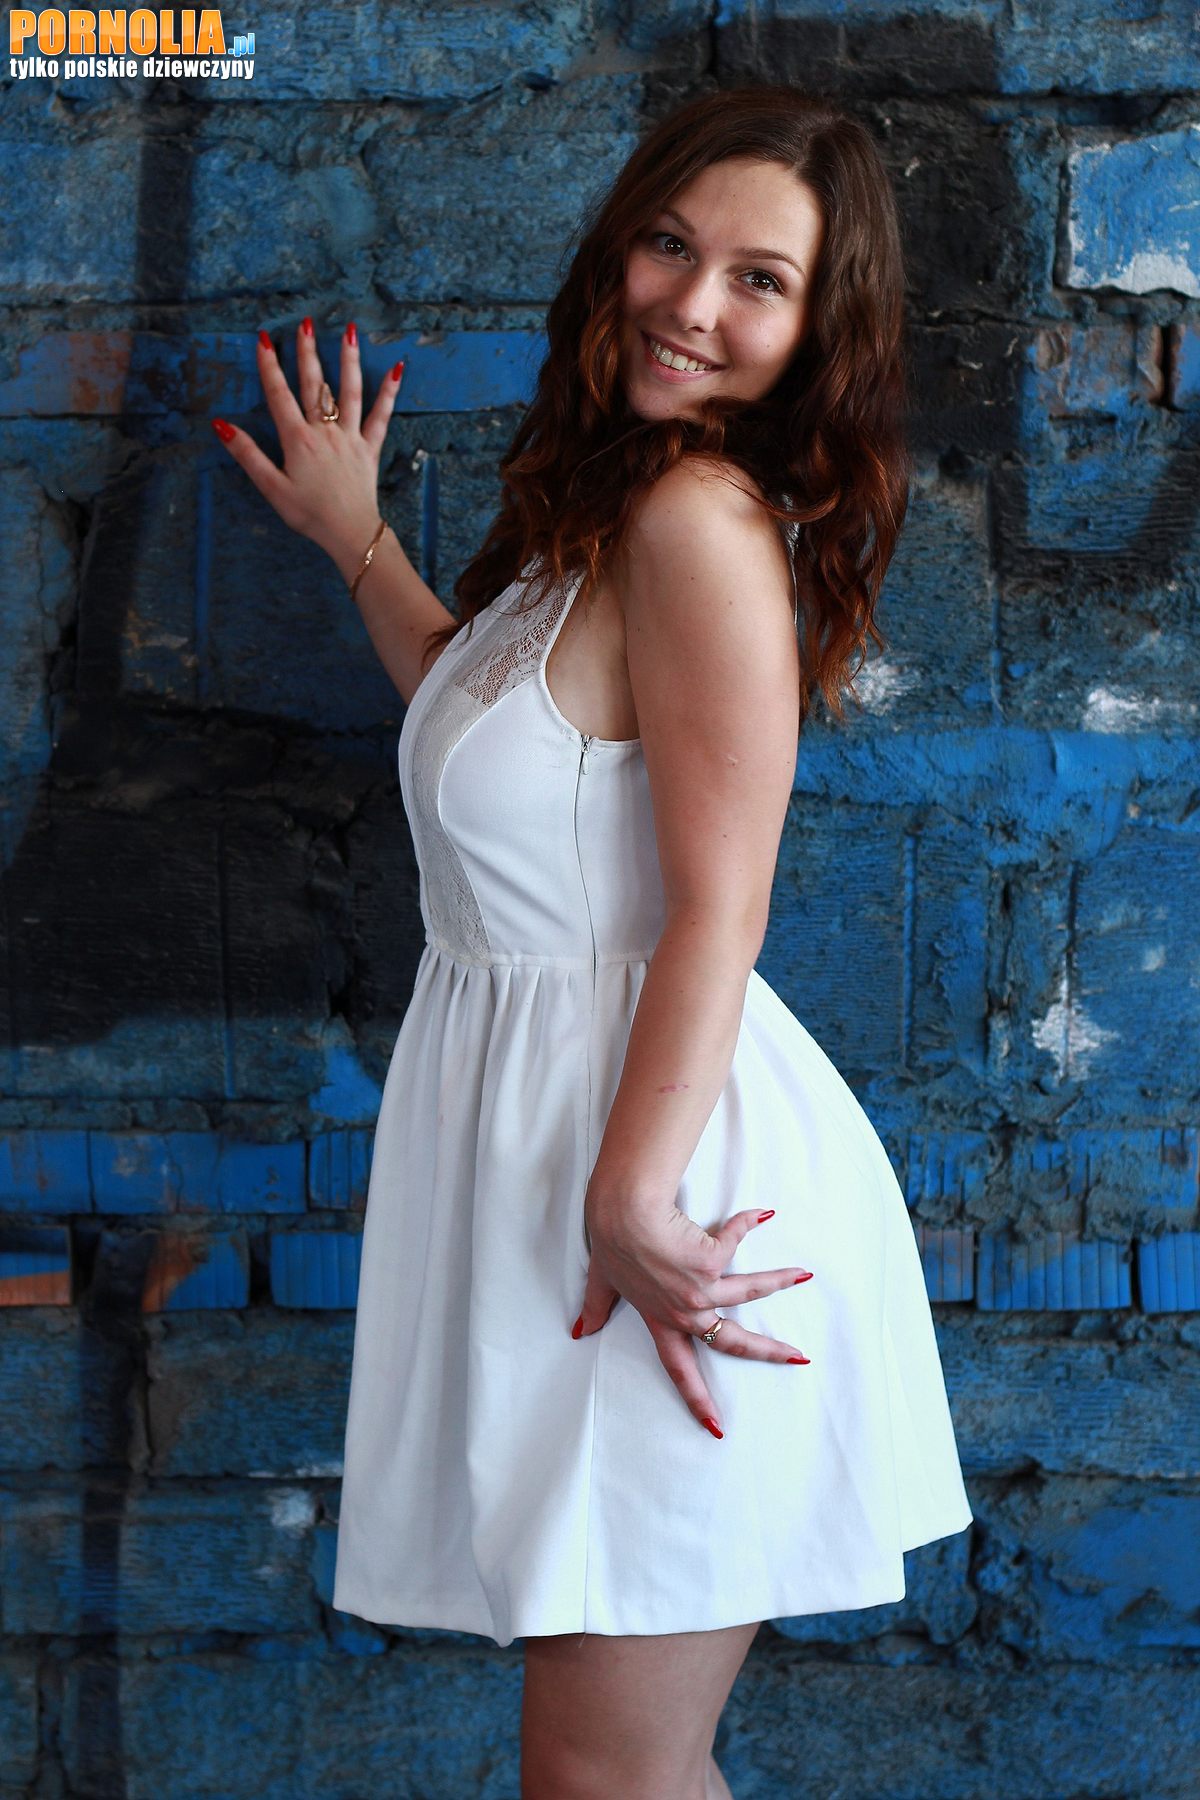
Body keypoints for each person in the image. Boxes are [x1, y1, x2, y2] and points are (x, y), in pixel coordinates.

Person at [213, 82, 973, 1800]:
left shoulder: (698, 526)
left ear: (816, 332)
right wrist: (358, 537)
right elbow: (488, 725)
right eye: (671, 246)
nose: (693, 304)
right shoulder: (609, 516)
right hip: (566, 1167)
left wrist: (629, 1200)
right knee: (615, 1772)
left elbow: (723, 901)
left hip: (661, 1188)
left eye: (760, 281)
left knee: (608, 1773)